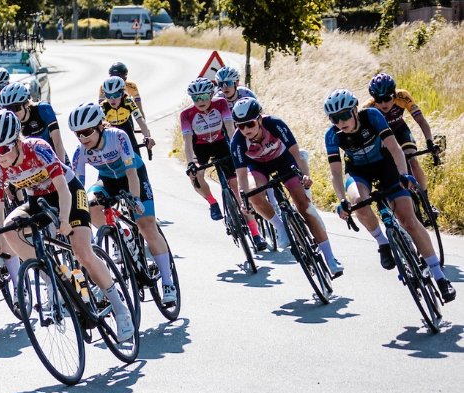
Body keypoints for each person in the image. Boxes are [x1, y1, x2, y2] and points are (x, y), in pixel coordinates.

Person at [0, 110, 135, 340]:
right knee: (9, 227)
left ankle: (120, 309)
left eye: (3, 149)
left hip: (68, 194)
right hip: (38, 201)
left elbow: (63, 189)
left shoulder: (37, 148)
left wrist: (64, 219)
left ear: (16, 141)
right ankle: (51, 277)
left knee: (82, 252)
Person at [325, 89, 455, 301]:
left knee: (409, 221)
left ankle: (440, 277)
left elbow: (395, 148)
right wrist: (341, 200)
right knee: (358, 201)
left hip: (387, 165)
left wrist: (404, 174)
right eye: (334, 118)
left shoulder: (373, 116)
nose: (340, 122)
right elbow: (336, 173)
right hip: (359, 172)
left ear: (355, 109)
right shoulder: (331, 135)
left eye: (345, 115)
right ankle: (383, 243)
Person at [65, 102, 178, 305]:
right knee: (90, 206)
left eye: (87, 132)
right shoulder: (80, 151)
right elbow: (78, 186)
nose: (83, 138)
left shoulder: (117, 137)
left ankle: (168, 282)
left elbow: (131, 172)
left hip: (133, 176)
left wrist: (135, 199)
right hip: (107, 180)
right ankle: (119, 235)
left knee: (146, 226)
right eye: (77, 134)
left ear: (100, 126)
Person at [228, 98, 343, 275]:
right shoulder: (237, 141)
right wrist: (244, 198)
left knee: (304, 207)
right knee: (252, 193)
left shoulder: (274, 123)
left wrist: (304, 175)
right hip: (259, 167)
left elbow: (295, 152)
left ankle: (330, 258)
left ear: (259, 119)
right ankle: (280, 227)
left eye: (250, 124)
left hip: (284, 160)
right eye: (240, 126)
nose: (246, 130)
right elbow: (242, 176)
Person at [180, 78, 267, 248]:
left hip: (221, 144)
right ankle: (212, 202)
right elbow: (187, 141)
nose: (201, 101)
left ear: (211, 94)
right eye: (196, 98)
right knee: (195, 176)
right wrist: (190, 162)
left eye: (204, 96)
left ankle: (256, 235)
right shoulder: (186, 114)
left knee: (237, 188)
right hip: (200, 147)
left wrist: (239, 150)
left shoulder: (220, 104)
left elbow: (231, 130)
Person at [364, 73, 439, 214]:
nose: (383, 104)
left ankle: (427, 203)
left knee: (413, 160)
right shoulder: (368, 108)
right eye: (379, 100)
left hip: (400, 130)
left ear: (394, 94)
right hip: (382, 138)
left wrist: (429, 141)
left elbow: (421, 120)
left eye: (387, 98)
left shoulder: (403, 96)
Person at [0, 82, 67, 173]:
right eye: (8, 110)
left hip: (55, 154)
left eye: (16, 108)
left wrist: (62, 167)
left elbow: (57, 142)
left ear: (26, 103)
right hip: (32, 164)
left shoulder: (44, 110)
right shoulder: (7, 122)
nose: (13, 113)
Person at [100, 76, 154, 157]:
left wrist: (147, 136)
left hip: (126, 128)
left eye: (116, 95)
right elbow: (99, 126)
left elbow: (140, 119)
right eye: (108, 95)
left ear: (122, 93)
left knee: (137, 159)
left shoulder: (128, 101)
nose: (112, 99)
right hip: (111, 130)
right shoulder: (103, 106)